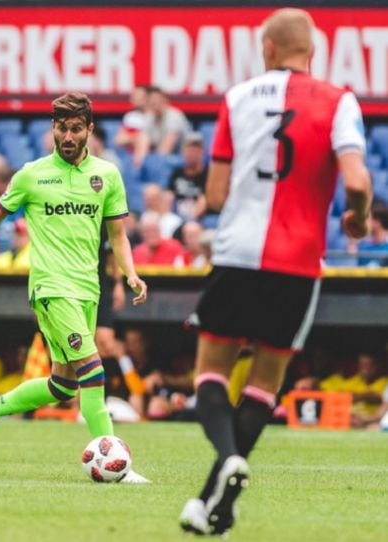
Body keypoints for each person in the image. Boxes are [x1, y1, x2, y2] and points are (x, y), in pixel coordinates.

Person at [178, 8, 372, 536]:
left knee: (211, 375)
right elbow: (355, 178)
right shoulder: (340, 101)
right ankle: (215, 496)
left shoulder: (237, 98)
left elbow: (215, 195)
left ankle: (225, 466)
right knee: (265, 382)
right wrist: (358, 216)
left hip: (238, 252)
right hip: (299, 262)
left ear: (266, 48)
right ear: (313, 51)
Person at [0, 92, 149, 483]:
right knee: (94, 371)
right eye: (61, 128)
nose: (68, 135)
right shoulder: (32, 174)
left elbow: (118, 235)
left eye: (76, 128)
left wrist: (130, 273)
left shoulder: (107, 175)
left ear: (89, 130)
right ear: (53, 129)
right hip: (50, 288)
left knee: (63, 384)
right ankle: (114, 463)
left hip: (87, 289)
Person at [134, 87, 190, 166]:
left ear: (165, 101)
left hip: (181, 158)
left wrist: (152, 164)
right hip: (161, 158)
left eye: (157, 101)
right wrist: (139, 162)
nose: (154, 104)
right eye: (151, 101)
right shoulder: (149, 117)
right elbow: (142, 145)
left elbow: (164, 151)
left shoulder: (174, 117)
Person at [167, 133, 209, 221]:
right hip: (176, 216)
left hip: (198, 218)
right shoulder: (177, 173)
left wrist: (192, 217)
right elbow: (169, 195)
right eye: (189, 150)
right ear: (183, 151)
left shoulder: (208, 174)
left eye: (196, 150)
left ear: (202, 152)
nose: (192, 154)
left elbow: (204, 200)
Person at [114, 86, 150, 154]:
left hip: (150, 154)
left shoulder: (155, 116)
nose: (133, 98)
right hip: (129, 154)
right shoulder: (130, 117)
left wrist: (131, 138)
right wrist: (137, 138)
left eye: (137, 95)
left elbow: (151, 140)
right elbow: (119, 140)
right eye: (133, 96)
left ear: (147, 98)